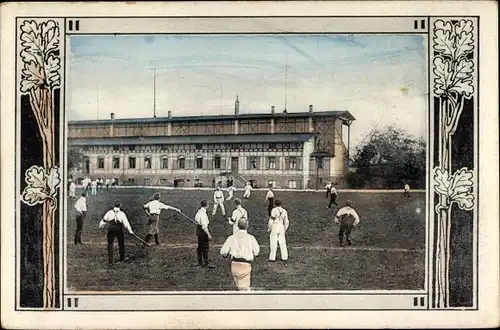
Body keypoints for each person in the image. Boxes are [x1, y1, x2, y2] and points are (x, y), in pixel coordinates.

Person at [220, 219, 260, 291]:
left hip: (235, 265)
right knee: (244, 289)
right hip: (246, 265)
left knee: (238, 286)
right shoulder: (251, 238)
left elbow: (223, 252)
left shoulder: (231, 237)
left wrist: (227, 254)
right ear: (247, 226)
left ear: (238, 226)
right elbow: (256, 252)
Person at [99, 201, 135, 266]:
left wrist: (101, 225)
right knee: (121, 243)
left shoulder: (109, 212)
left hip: (111, 229)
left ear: (113, 206)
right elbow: (126, 223)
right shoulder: (122, 213)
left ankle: (111, 261)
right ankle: (122, 258)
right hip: (118, 229)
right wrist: (130, 230)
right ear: (120, 206)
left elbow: (104, 220)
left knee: (110, 245)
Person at [195, 200, 214, 268]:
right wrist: (208, 235)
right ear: (207, 205)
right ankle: (206, 263)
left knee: (200, 247)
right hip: (203, 232)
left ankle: (200, 262)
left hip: (198, 230)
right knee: (205, 247)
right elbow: (204, 226)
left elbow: (196, 219)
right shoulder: (203, 214)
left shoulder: (199, 211)